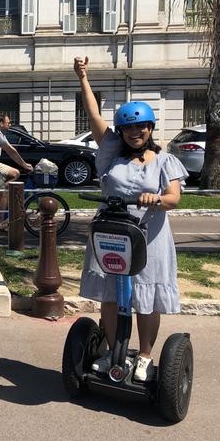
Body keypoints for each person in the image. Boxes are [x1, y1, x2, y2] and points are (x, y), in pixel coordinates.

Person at [74, 57, 187, 382]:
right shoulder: (111, 153)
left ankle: (146, 356)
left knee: (146, 298)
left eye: (141, 126)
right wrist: (83, 77)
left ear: (150, 128)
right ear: (121, 131)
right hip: (111, 234)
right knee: (111, 295)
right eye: (128, 127)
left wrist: (158, 199)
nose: (135, 132)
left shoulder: (165, 160)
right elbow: (94, 115)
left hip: (149, 238)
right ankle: (112, 350)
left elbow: (174, 198)